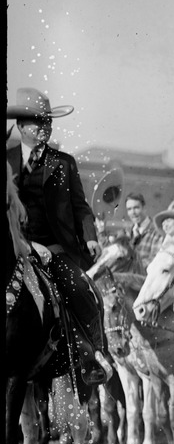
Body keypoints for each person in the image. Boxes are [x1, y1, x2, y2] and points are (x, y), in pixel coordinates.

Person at [6, 87, 113, 385]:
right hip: (13, 247)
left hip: (54, 250)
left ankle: (93, 354)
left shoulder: (64, 163)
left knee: (81, 288)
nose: (45, 127)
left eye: (48, 122)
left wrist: (90, 236)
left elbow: (80, 207)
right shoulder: (6, 159)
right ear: (21, 127)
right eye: (38, 122)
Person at [126, 192, 165, 270]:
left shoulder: (156, 231)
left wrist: (128, 267)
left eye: (136, 208)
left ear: (144, 208)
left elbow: (155, 259)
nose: (133, 212)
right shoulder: (128, 230)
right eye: (129, 209)